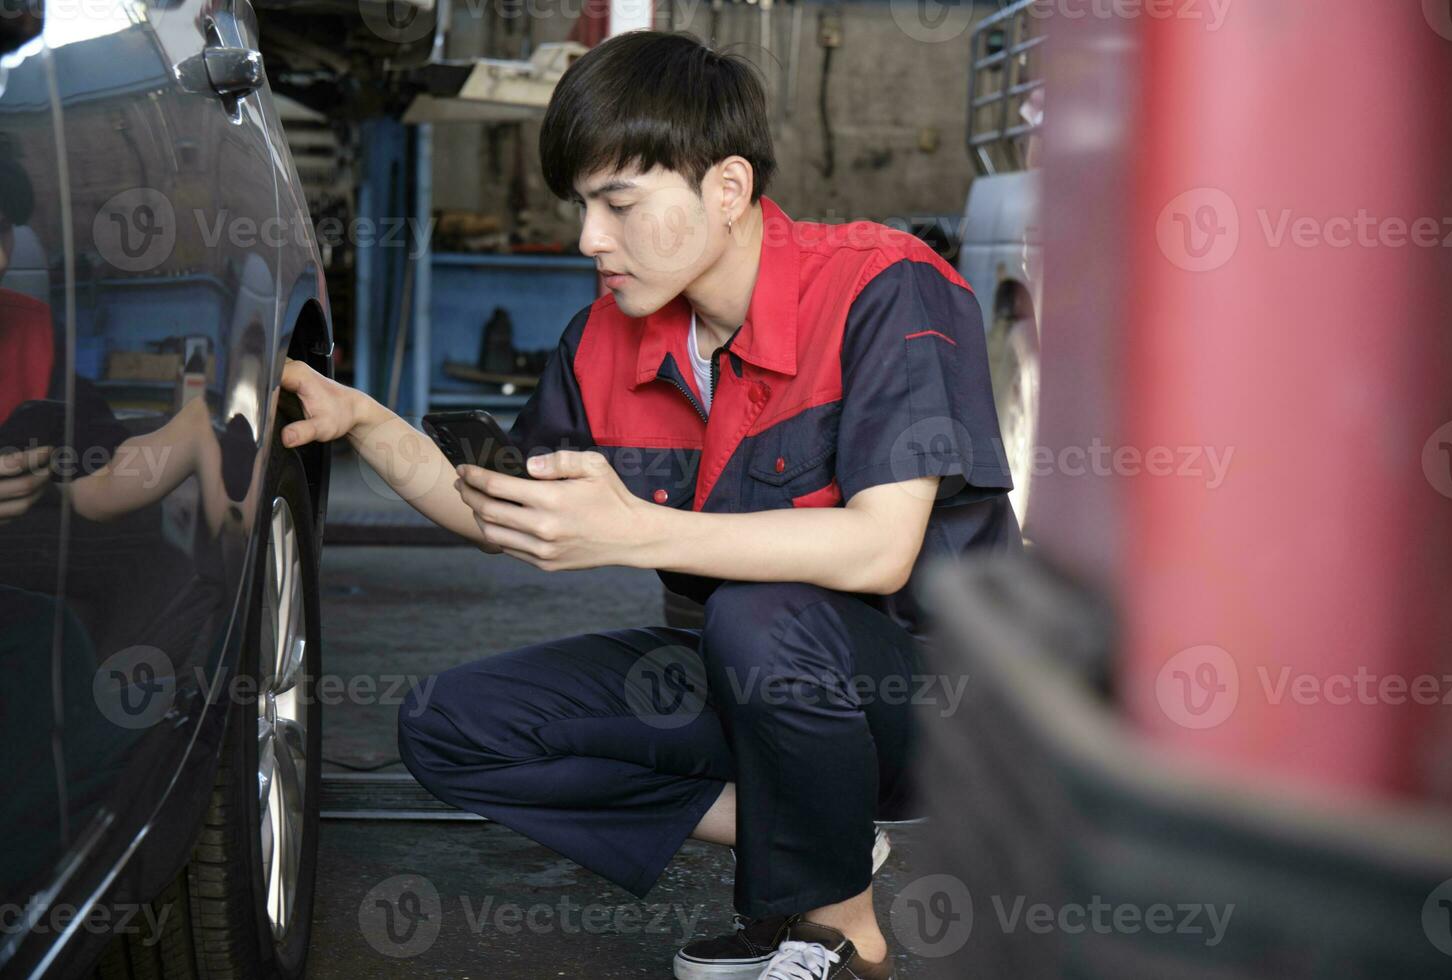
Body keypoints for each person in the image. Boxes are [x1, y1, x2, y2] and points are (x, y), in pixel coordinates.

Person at [281, 30, 1017, 980]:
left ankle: (843, 935)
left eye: (618, 203)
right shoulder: (602, 342)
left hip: (933, 701)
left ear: (728, 189)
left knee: (761, 614)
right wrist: (369, 425)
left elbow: (880, 551)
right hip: (756, 682)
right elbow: (500, 515)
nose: (590, 239)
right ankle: (813, 841)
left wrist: (637, 529)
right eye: (583, 206)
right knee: (452, 724)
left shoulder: (885, 289)